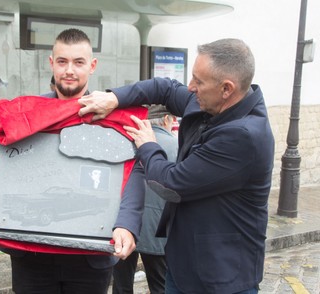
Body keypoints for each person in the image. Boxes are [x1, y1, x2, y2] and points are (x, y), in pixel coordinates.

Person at [78, 38, 275, 293]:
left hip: (220, 279)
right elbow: (166, 88)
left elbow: (171, 184)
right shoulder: (215, 102)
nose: (190, 87)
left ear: (227, 89)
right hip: (184, 267)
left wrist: (148, 145)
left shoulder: (244, 136)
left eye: (198, 81)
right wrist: (114, 98)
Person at [0, 28, 144, 294]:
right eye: (62, 61)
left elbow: (132, 172)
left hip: (90, 258)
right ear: (52, 63)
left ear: (92, 66)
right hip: (31, 258)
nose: (69, 70)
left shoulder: (111, 117)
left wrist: (127, 224)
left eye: (78, 62)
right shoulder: (26, 114)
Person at [112, 105, 178, 294]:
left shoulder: (126, 141)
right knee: (160, 284)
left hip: (123, 225)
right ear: (167, 119)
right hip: (159, 228)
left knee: (121, 285)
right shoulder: (177, 145)